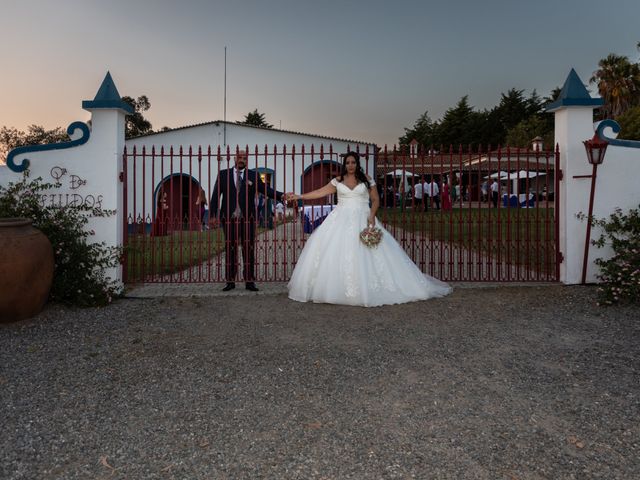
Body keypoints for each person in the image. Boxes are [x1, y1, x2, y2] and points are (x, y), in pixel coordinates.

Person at [284, 151, 452, 307]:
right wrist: (299, 196)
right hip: (340, 218)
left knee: (371, 251)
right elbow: (319, 192)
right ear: (344, 164)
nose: (350, 165)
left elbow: (376, 199)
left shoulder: (366, 179)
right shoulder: (338, 180)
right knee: (335, 250)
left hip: (363, 217)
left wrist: (372, 215)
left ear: (357, 164)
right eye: (348, 162)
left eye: (353, 162)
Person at [210, 150, 285, 292]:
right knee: (230, 249)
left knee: (248, 249)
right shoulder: (223, 174)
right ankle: (230, 281)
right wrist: (213, 214)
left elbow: (265, 190)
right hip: (229, 219)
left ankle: (249, 281)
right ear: (234, 158)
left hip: (248, 219)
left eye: (244, 158)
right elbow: (216, 195)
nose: (242, 160)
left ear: (247, 160)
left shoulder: (253, 175)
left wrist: (281, 196)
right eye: (239, 157)